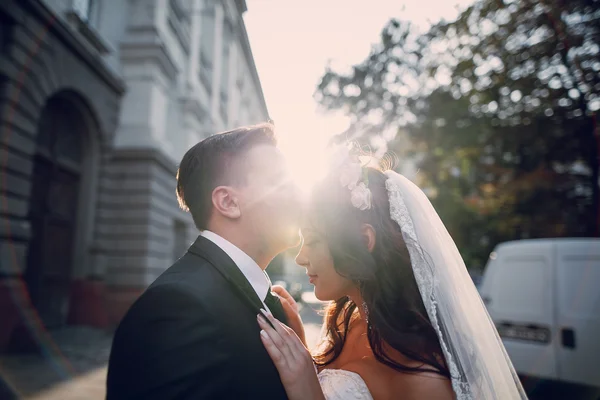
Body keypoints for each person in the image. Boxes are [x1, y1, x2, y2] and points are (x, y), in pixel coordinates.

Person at [257, 147, 528, 400]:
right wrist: (301, 348)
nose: (300, 257)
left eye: (313, 241)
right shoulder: (348, 324)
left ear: (364, 241)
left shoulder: (425, 379)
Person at [106, 123, 302, 399]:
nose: (298, 194)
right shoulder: (177, 307)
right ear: (229, 202)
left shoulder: (271, 302)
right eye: (280, 181)